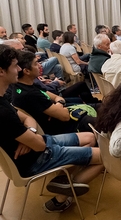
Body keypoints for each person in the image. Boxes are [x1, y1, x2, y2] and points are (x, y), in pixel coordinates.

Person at [0, 44, 103, 214]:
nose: (18, 69)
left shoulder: (4, 98)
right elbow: (40, 146)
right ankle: (62, 195)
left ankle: (63, 183)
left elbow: (28, 118)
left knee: (90, 138)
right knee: (106, 156)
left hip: (38, 145)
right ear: (1, 71)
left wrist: (29, 136)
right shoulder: (3, 111)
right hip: (37, 158)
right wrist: (32, 139)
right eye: (14, 66)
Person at [12, 51, 95, 135]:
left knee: (99, 107)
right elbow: (65, 116)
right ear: (27, 71)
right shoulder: (29, 94)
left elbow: (57, 98)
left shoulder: (28, 85)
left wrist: (57, 105)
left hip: (63, 116)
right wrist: (59, 106)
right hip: (63, 128)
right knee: (98, 118)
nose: (40, 65)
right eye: (36, 63)